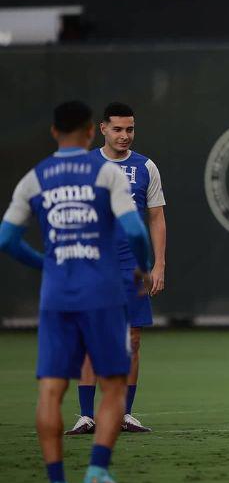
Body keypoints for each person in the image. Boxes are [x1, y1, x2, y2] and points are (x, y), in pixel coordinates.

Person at [0, 100, 153, 483]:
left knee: (50, 390)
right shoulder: (105, 173)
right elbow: (136, 230)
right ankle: (98, 470)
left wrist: (44, 263)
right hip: (101, 291)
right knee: (114, 385)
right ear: (91, 132)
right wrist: (145, 265)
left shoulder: (35, 178)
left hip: (56, 295)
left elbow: (6, 240)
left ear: (53, 132)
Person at [66, 102, 166, 435]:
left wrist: (159, 263)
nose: (125, 136)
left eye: (130, 129)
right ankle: (85, 414)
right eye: (119, 129)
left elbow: (156, 217)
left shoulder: (146, 166)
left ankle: (124, 413)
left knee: (133, 339)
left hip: (132, 267)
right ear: (103, 129)